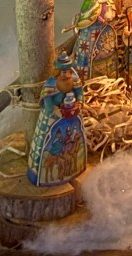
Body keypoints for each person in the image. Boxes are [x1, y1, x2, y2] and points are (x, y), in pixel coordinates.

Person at [27, 53, 87, 186]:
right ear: (58, 72)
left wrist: (80, 102)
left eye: (68, 71)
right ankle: (41, 174)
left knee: (74, 142)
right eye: (64, 72)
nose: (67, 74)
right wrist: (55, 110)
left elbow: (79, 93)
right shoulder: (51, 84)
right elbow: (48, 101)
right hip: (54, 117)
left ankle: (74, 168)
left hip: (72, 116)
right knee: (47, 142)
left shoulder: (74, 80)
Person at [64, 0, 118, 82]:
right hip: (90, 32)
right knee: (86, 53)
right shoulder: (89, 2)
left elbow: (112, 12)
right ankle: (85, 78)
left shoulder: (108, 2)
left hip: (104, 32)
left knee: (105, 53)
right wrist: (99, 19)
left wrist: (110, 16)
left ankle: (107, 77)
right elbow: (87, 16)